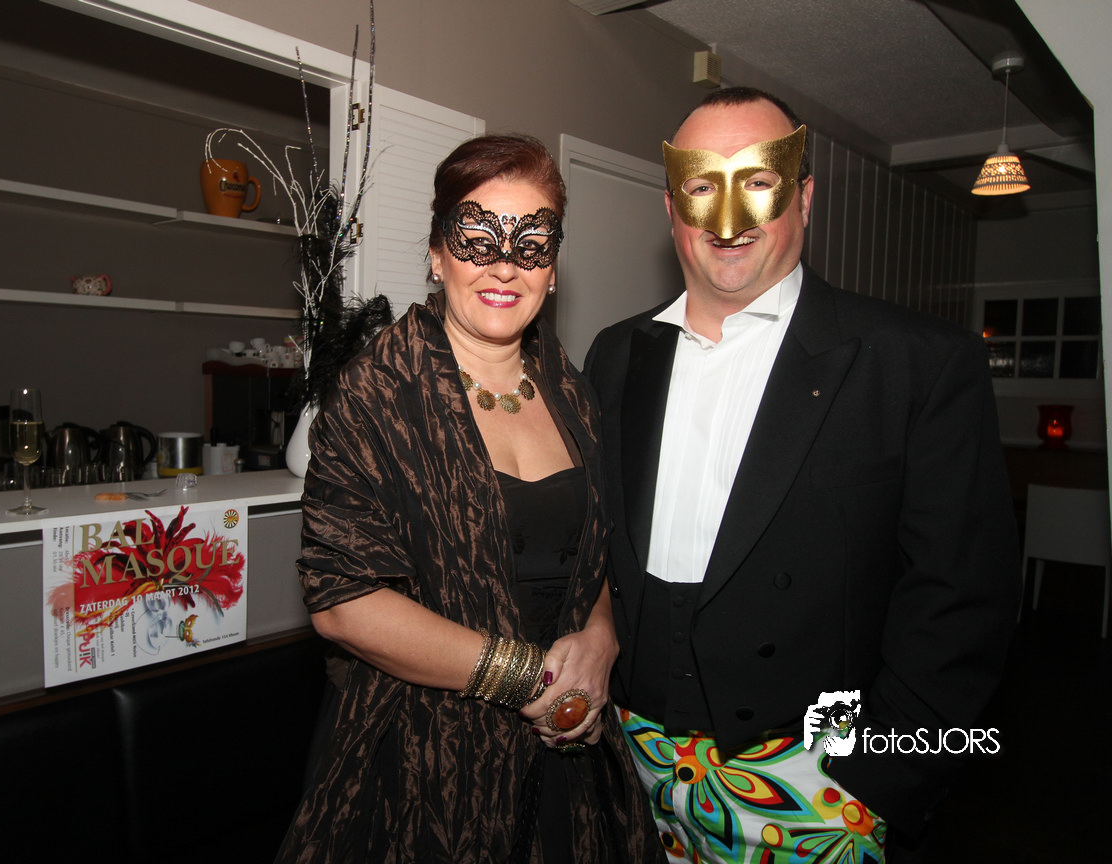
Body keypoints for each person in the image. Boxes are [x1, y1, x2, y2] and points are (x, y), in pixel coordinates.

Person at [584, 88, 1019, 863]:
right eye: (701, 185)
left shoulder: (915, 363)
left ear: (805, 198)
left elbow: (964, 602)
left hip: (816, 794)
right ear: (671, 206)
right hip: (634, 772)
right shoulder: (615, 356)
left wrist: (878, 784)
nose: (728, 219)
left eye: (758, 181)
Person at [277, 134, 661, 863]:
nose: (504, 266)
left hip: (569, 749)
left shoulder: (574, 390)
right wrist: (525, 678)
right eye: (477, 238)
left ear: (553, 268)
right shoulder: (375, 394)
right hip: (421, 759)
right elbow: (342, 601)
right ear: (436, 253)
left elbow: (594, 551)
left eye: (532, 244)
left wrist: (600, 639)